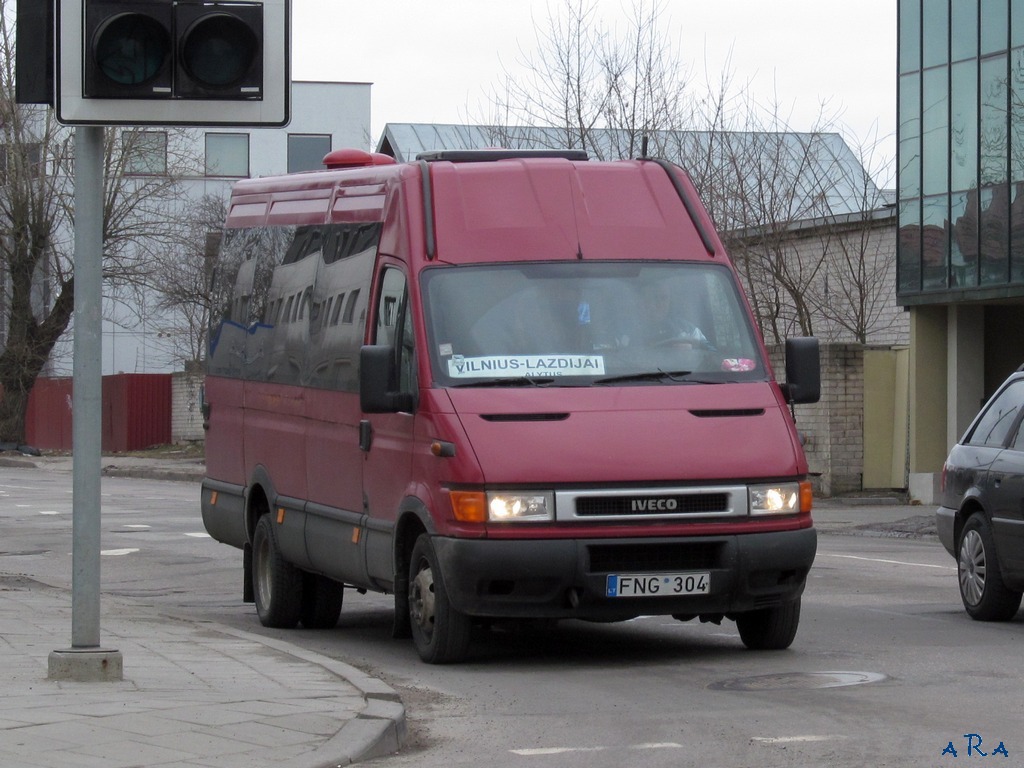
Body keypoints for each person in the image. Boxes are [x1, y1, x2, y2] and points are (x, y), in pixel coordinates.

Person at [643, 283, 711, 349]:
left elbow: (711, 351)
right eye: (654, 298)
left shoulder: (687, 329)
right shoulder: (633, 331)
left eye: (664, 298)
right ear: (642, 300)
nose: (660, 303)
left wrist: (692, 349)